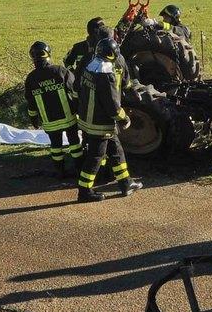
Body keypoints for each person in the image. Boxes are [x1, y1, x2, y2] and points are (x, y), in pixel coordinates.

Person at [75, 36, 142, 202]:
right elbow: (112, 105)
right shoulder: (106, 75)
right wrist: (124, 118)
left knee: (116, 150)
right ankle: (84, 192)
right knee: (95, 157)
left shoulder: (90, 67)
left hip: (88, 119)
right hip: (100, 123)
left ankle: (126, 183)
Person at [24, 41, 81, 179]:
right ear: (48, 54)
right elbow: (75, 90)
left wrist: (34, 120)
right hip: (68, 118)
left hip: (50, 122)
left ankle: (60, 171)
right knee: (74, 143)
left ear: (33, 58)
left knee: (55, 146)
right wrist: (78, 109)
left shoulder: (31, 78)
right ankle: (80, 169)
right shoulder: (60, 71)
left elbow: (31, 103)